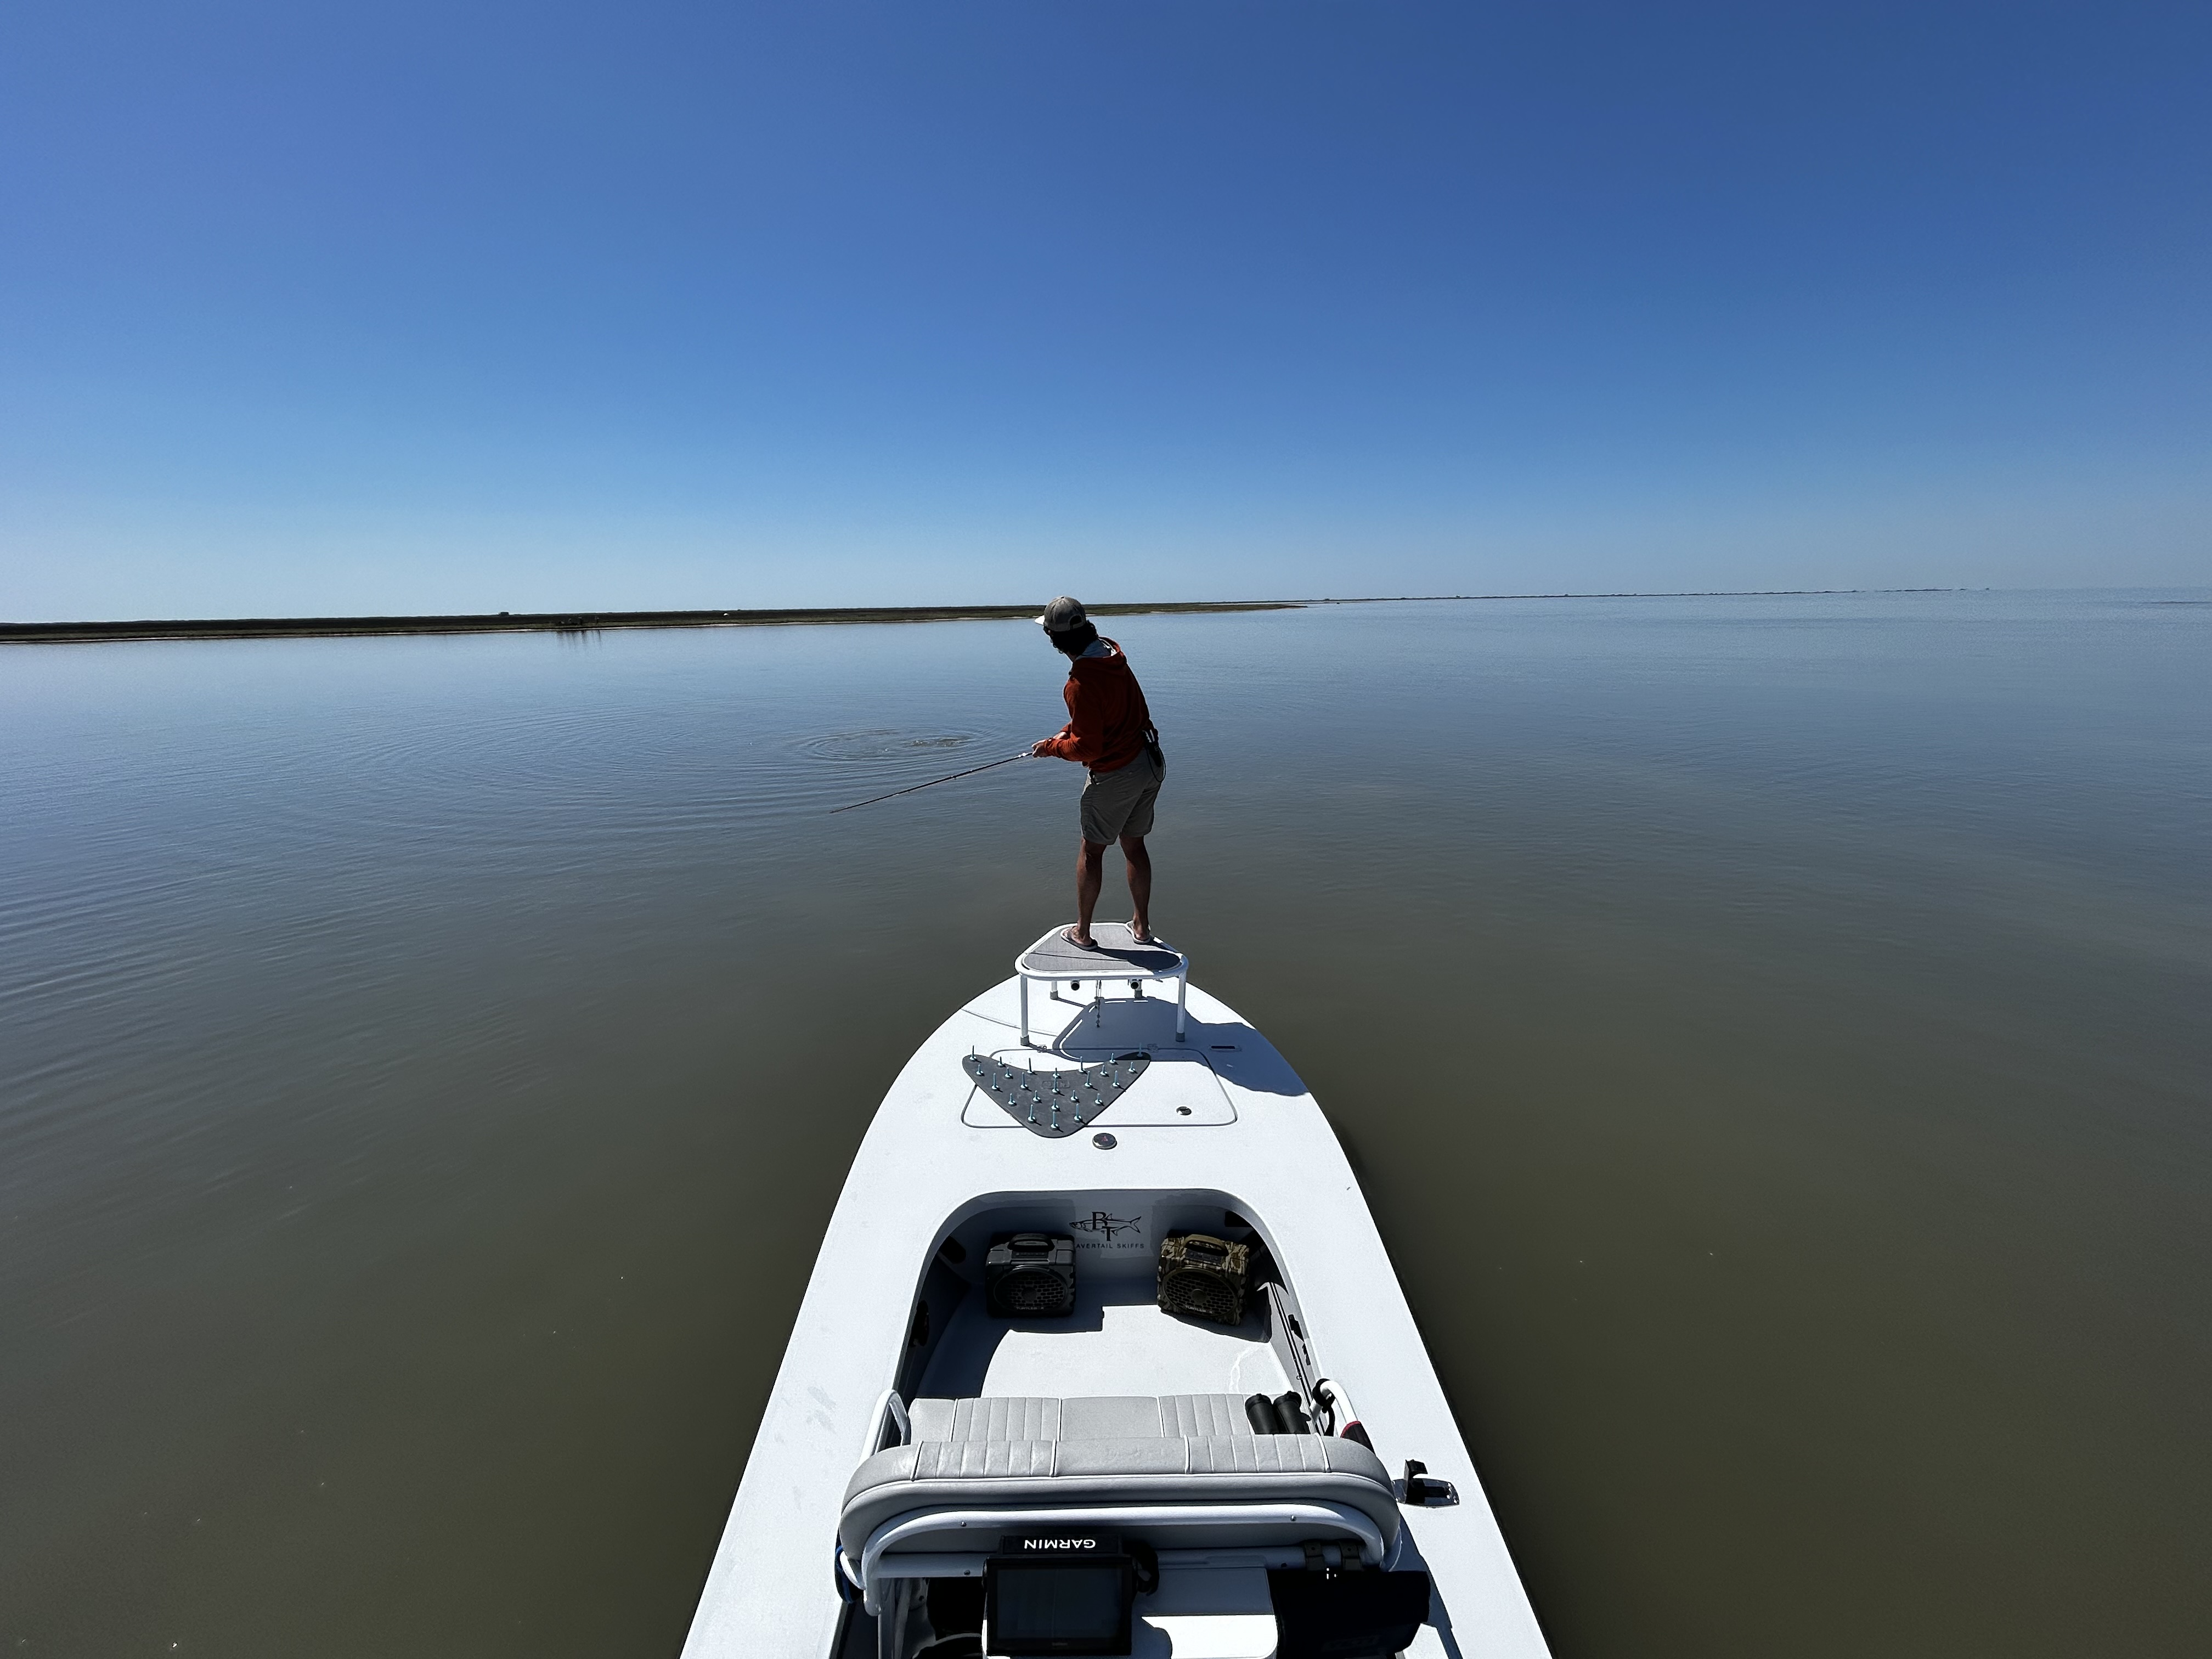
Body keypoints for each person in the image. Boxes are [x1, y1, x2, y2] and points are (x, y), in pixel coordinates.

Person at [1029, 596, 1164, 949]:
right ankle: (1142, 927)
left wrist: (1052, 748)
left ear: (1055, 640)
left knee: (1092, 851)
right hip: (1149, 762)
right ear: (1088, 627)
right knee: (1135, 846)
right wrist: (1066, 731)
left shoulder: (1080, 683)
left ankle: (1083, 934)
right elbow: (1107, 715)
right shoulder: (1113, 657)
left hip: (1116, 774)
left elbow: (1088, 749)